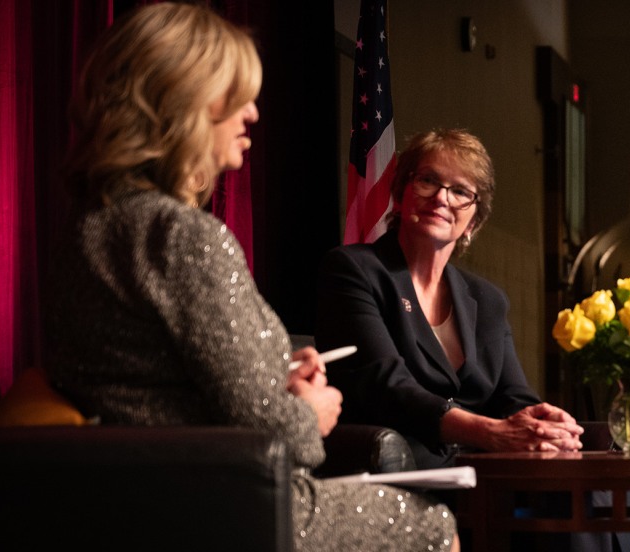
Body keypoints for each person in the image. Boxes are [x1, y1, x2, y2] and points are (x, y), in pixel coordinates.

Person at [42, 4, 457, 551]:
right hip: (220, 504)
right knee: (428, 523)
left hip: (127, 504)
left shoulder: (87, 227)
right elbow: (279, 438)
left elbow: (154, 376)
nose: (253, 114)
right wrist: (310, 412)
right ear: (181, 104)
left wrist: (276, 369)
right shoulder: (185, 237)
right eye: (234, 97)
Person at [315, 128, 584, 470]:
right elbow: (388, 387)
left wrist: (544, 425)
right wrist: (489, 432)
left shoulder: (488, 299)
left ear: (474, 221)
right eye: (428, 180)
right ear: (400, 194)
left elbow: (513, 397)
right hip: (399, 468)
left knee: (586, 485)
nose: (442, 198)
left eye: (460, 191)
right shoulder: (355, 270)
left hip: (482, 475)